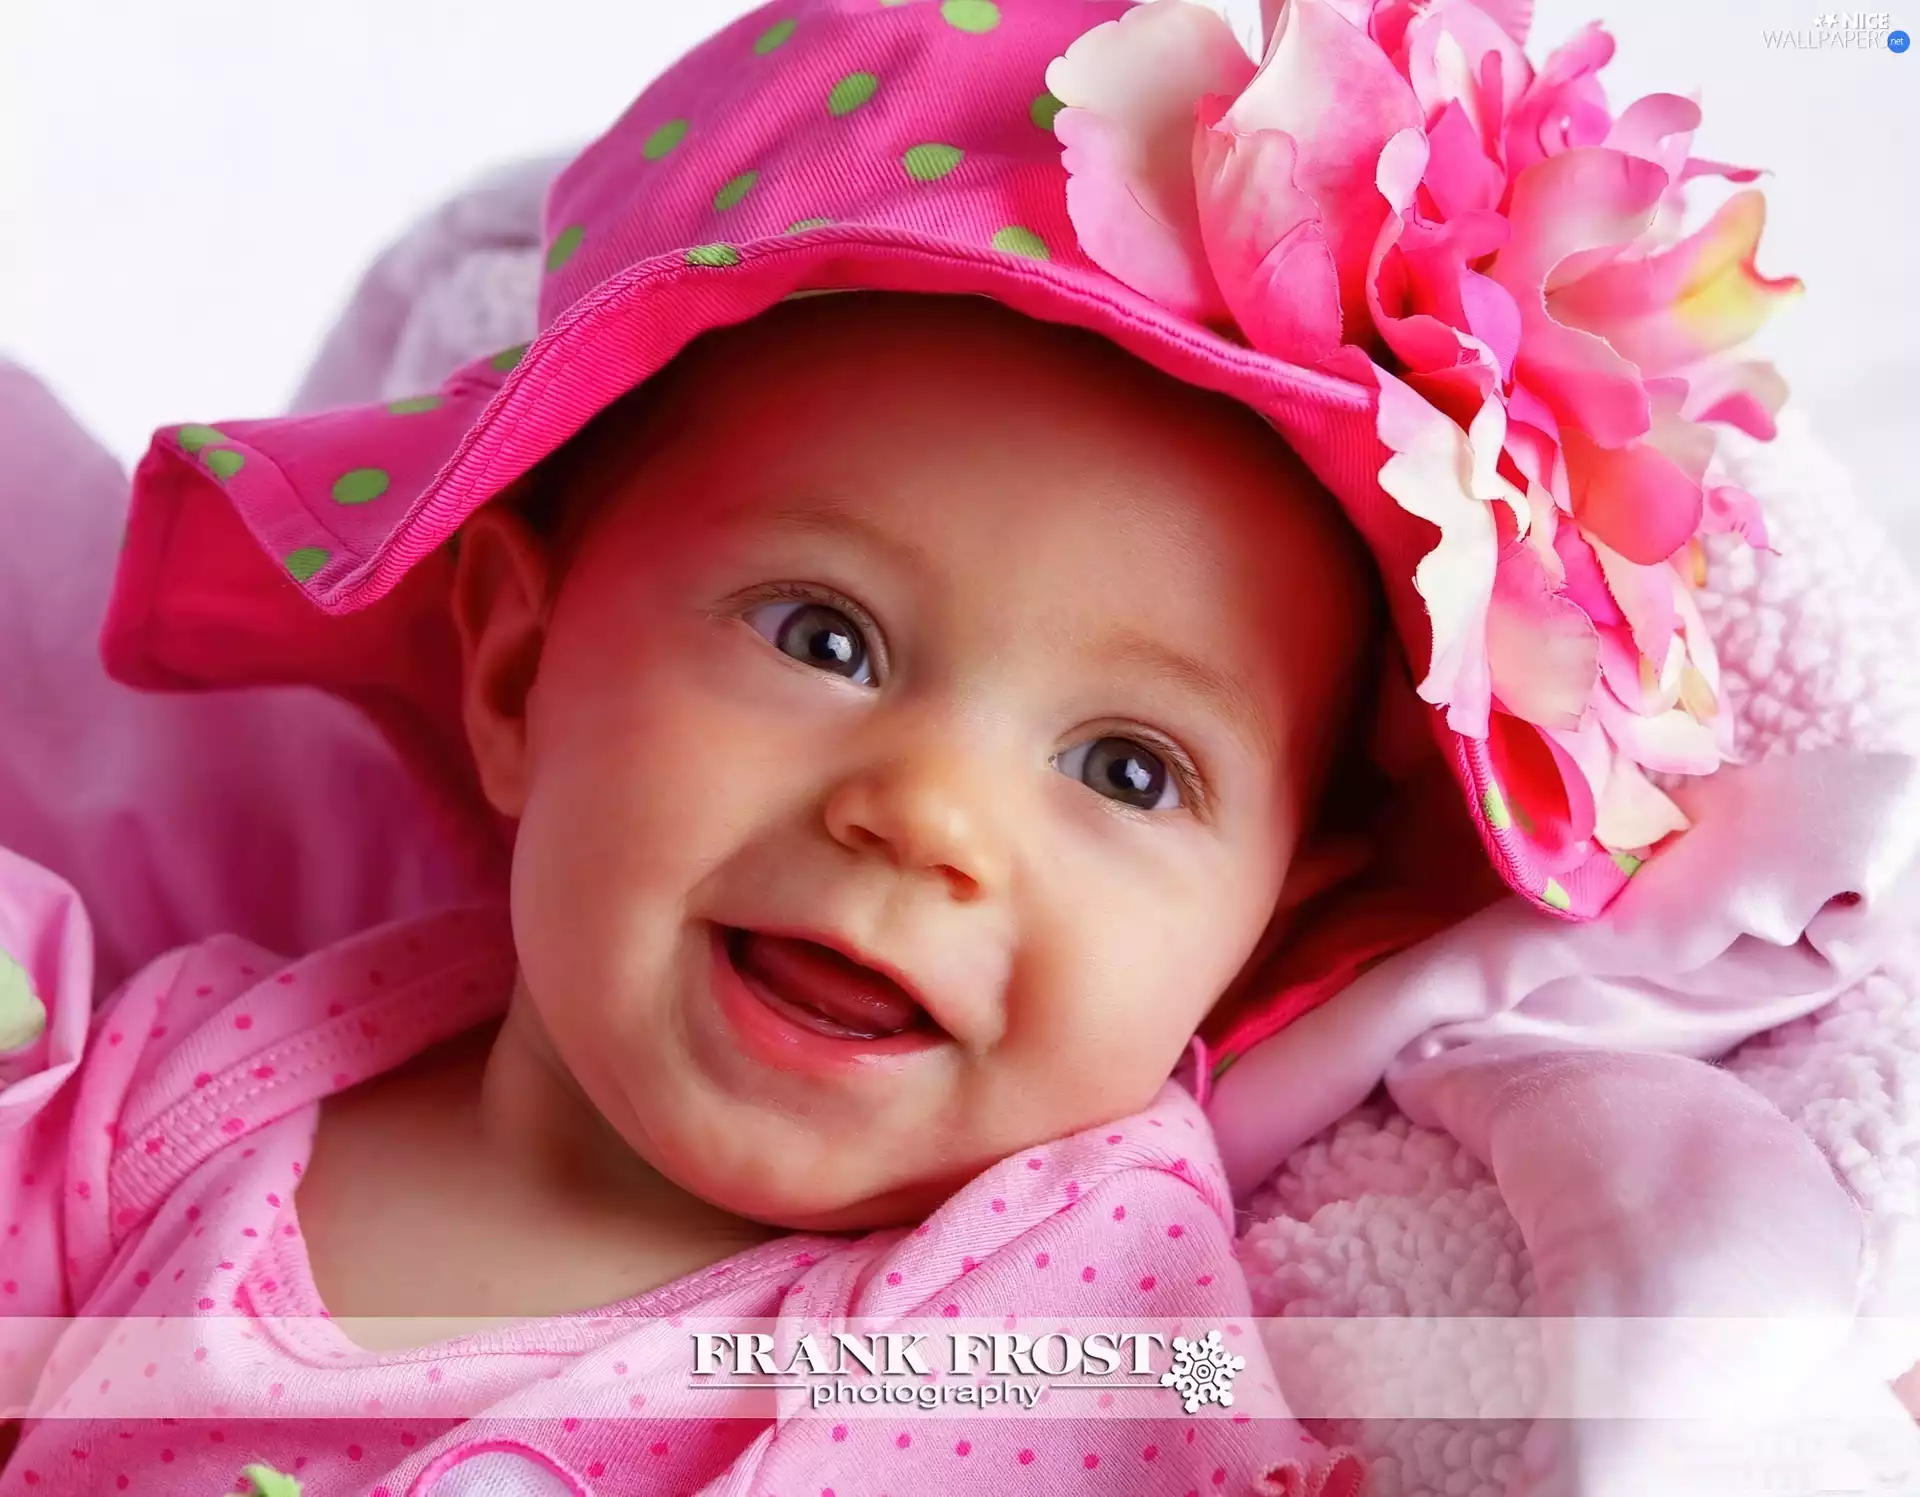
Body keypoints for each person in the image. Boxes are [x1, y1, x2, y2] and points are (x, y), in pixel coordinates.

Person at [0, 0, 1809, 1491]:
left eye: (1127, 769)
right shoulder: (191, 1098)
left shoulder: (1055, 1331)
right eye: (824, 637)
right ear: (515, 673)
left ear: (1262, 918)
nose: (929, 814)